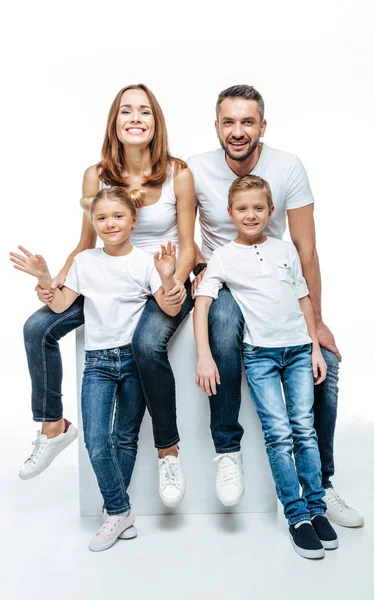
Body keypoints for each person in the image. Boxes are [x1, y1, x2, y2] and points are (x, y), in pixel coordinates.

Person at [188, 84, 363, 527]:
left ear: (262, 126)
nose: (238, 131)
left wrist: (316, 325)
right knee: (224, 317)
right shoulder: (196, 168)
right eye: (229, 121)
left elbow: (305, 249)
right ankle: (227, 450)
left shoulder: (288, 166)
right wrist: (187, 277)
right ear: (217, 127)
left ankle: (320, 483)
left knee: (328, 363)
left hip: (274, 278)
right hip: (223, 276)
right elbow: (180, 233)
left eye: (248, 121)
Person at [20, 84, 195, 507]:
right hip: (107, 277)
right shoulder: (95, 174)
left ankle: (168, 451)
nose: (135, 118)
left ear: (156, 123)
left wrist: (171, 286)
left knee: (146, 342)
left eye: (144, 112)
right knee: (37, 326)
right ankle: (52, 426)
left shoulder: (179, 173)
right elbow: (85, 244)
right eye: (126, 112)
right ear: (114, 123)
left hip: (163, 277)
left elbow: (190, 245)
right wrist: (57, 280)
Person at [11, 187, 183, 551]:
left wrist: (167, 277)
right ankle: (121, 510)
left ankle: (115, 513)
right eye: (101, 217)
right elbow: (60, 305)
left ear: (134, 220)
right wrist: (43, 277)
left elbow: (168, 310)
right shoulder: (84, 262)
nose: (110, 223)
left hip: (133, 362)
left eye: (118, 216)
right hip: (98, 363)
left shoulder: (145, 261)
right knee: (95, 439)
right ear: (93, 223)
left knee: (124, 437)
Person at [194, 174, 338, 558]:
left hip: (297, 351)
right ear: (230, 213)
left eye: (259, 208)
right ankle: (297, 517)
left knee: (304, 430)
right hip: (260, 355)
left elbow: (303, 298)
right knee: (279, 434)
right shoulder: (223, 256)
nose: (251, 215)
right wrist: (205, 355)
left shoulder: (284, 250)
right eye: (242, 209)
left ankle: (317, 509)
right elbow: (203, 304)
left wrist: (314, 348)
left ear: (271, 211)